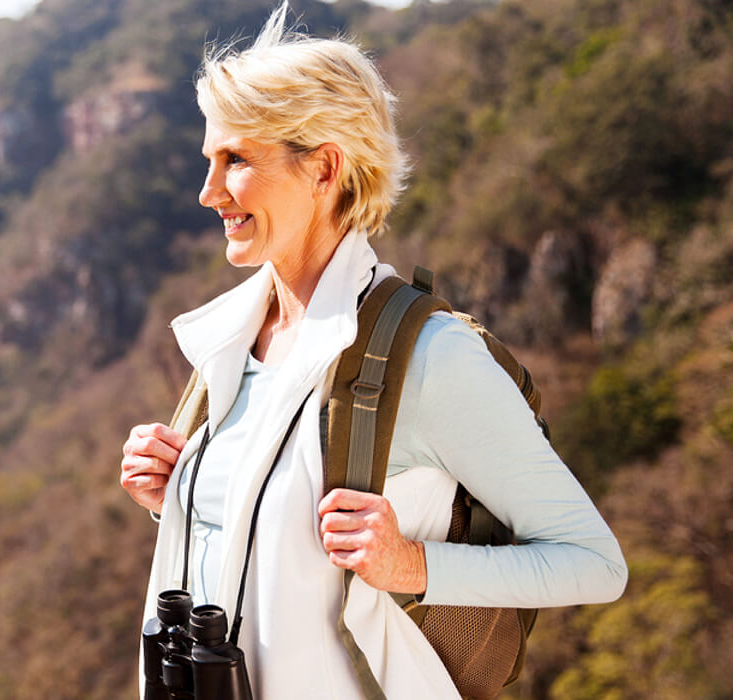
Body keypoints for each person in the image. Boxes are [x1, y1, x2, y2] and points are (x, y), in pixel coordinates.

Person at [119, 5, 628, 698]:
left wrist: (411, 566)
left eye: (235, 159)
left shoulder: (428, 357)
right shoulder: (227, 344)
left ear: (324, 168)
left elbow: (595, 563)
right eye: (210, 160)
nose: (208, 192)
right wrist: (174, 496)